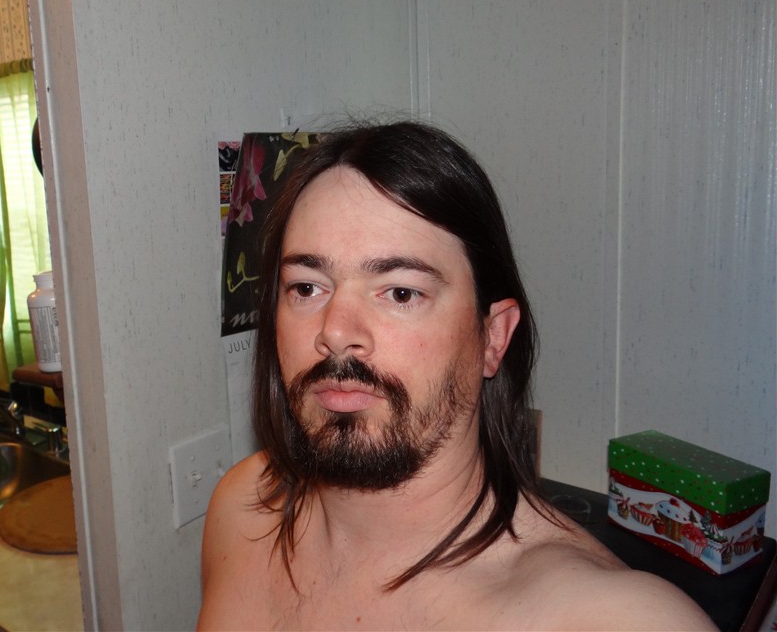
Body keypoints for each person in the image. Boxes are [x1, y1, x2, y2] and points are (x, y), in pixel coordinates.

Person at [198, 119, 715, 630]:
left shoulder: (608, 619)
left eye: (401, 293)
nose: (335, 331)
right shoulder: (242, 510)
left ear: (493, 337)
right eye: (307, 288)